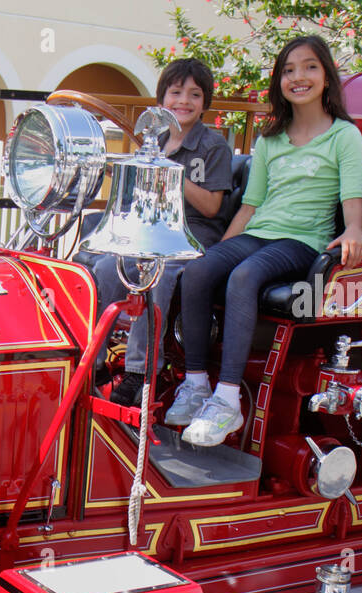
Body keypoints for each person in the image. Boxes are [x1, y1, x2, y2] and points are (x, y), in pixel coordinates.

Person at [174, 35, 362, 446]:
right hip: (258, 232)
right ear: (279, 80)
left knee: (244, 277)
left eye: (309, 67)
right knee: (199, 270)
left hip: (303, 241)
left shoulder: (344, 136)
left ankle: (228, 402)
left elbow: (354, 201)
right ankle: (195, 386)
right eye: (289, 70)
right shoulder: (270, 139)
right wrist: (219, 251)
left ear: (327, 76)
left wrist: (353, 230)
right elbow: (250, 205)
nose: (299, 77)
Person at [79, 58, 232, 406]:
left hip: (192, 236)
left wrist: (171, 172)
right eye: (176, 93)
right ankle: (96, 360)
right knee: (105, 267)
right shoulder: (156, 140)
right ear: (162, 99)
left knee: (156, 275)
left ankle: (139, 370)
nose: (184, 102)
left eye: (194, 95)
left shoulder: (213, 146)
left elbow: (211, 207)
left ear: (204, 103)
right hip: (152, 230)